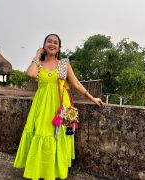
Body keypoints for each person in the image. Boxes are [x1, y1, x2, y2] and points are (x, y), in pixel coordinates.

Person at [13, 34, 103, 180]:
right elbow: (30, 73)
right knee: (42, 133)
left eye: (55, 43)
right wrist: (37, 55)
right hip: (41, 106)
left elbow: (76, 84)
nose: (52, 44)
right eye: (49, 41)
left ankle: (53, 172)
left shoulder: (63, 64)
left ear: (59, 47)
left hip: (60, 107)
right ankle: (40, 171)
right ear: (44, 45)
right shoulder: (39, 64)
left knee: (57, 136)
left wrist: (93, 99)